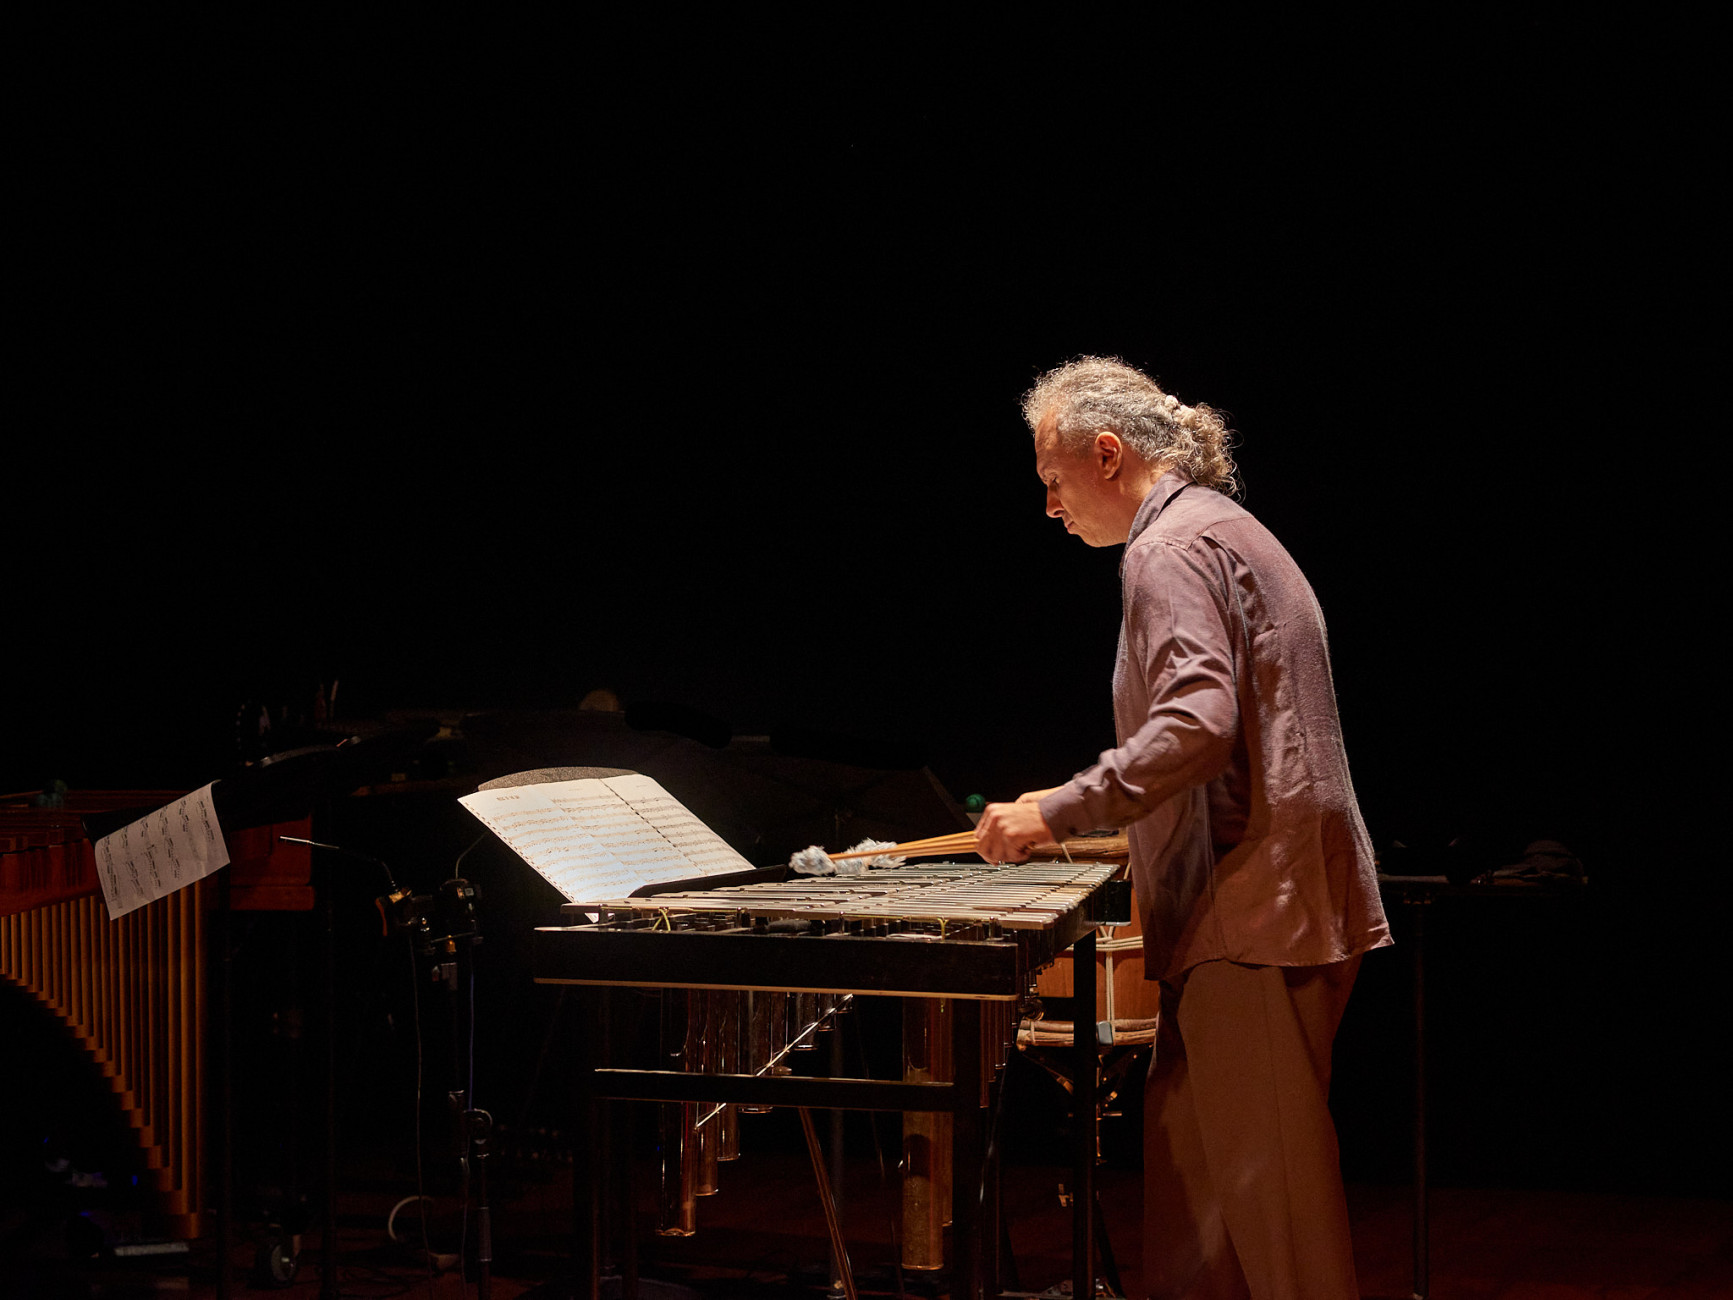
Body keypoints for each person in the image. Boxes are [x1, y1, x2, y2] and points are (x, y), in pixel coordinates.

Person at [975, 357, 1391, 1300]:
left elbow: (1197, 725)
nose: (1049, 507)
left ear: (1107, 454)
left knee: (1275, 1218)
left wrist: (1056, 809)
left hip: (1254, 914)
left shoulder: (1167, 549)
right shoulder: (1224, 528)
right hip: (1253, 905)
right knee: (1199, 1214)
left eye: (1052, 480)